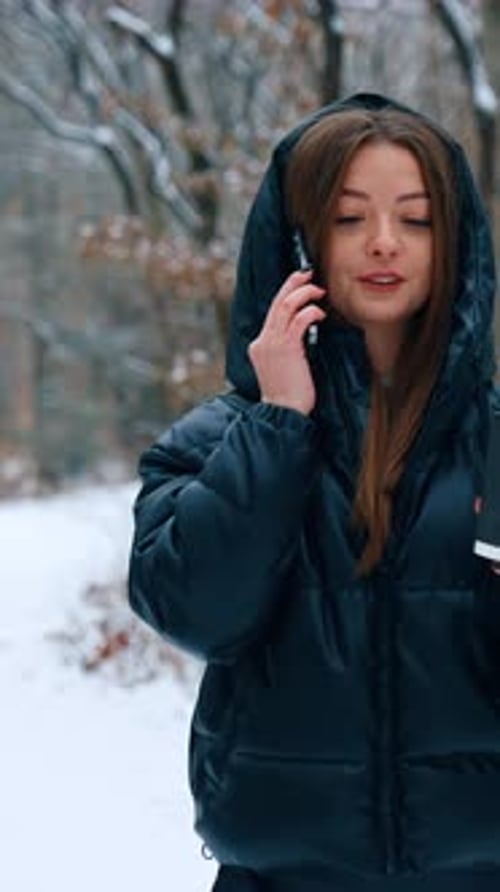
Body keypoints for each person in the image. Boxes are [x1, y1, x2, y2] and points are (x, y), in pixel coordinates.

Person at [128, 93, 500, 891]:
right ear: (299, 239)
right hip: (280, 876)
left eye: (417, 219)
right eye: (347, 217)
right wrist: (278, 425)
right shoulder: (220, 439)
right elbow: (192, 611)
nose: (384, 244)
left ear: (454, 241)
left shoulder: (496, 437)